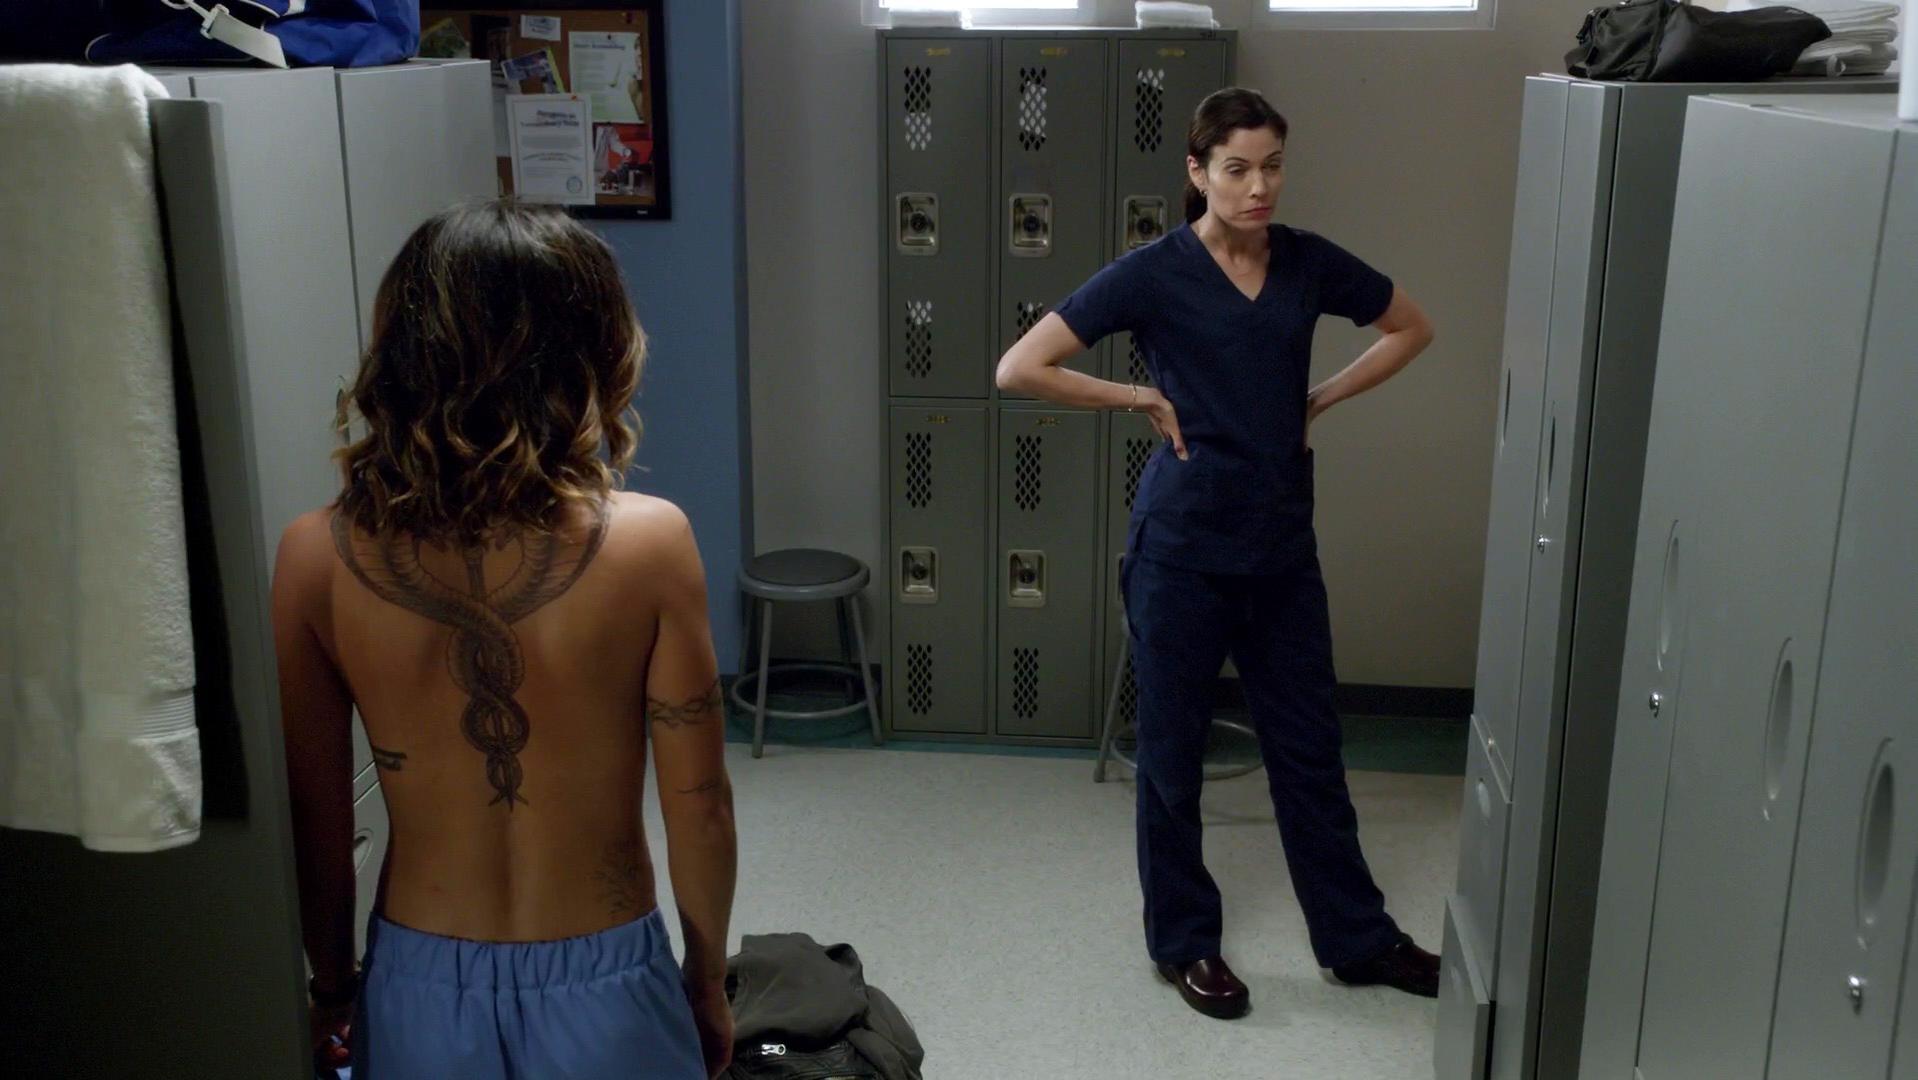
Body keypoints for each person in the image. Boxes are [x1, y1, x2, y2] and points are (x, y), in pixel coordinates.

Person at [996, 88, 1440, 1021]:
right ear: (1198, 173)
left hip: (1280, 549)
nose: (1258, 186)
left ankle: (1357, 941)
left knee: (1311, 754)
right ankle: (1185, 944)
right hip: (1182, 552)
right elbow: (1020, 366)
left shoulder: (1307, 262)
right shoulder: (1154, 273)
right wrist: (1137, 398)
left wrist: (1323, 397)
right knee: (1172, 759)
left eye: (1272, 166)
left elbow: (1412, 326)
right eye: (1237, 169)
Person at [272, 199, 738, 1077]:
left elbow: (316, 819)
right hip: (606, 978)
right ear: (595, 351)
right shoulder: (650, 544)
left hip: (418, 981)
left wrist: (332, 989)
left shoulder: (313, 559)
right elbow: (702, 803)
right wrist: (707, 980)